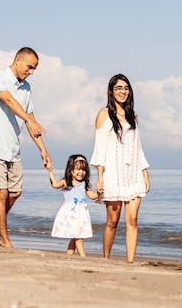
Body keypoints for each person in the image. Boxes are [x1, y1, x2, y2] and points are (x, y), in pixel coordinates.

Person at [0, 47, 52, 248]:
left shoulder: (26, 88)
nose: (31, 72)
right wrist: (27, 117)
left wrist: (42, 149)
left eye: (34, 69)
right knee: (1, 194)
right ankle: (5, 241)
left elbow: (31, 120)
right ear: (18, 60)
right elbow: (8, 100)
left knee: (15, 193)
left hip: (12, 148)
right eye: (29, 67)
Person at [90, 74, 150, 263]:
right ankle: (106, 259)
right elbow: (99, 149)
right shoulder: (104, 114)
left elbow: (137, 148)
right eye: (119, 88)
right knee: (112, 222)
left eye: (126, 88)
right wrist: (99, 177)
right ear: (111, 91)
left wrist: (145, 174)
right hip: (113, 175)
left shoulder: (134, 115)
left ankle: (130, 262)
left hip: (133, 175)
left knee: (132, 220)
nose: (123, 91)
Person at [48, 154, 99, 257]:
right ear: (71, 170)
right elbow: (54, 185)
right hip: (70, 214)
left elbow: (93, 196)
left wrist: (100, 191)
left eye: (84, 170)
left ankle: (69, 255)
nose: (81, 172)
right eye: (78, 169)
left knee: (75, 237)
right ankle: (83, 256)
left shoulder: (85, 184)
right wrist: (50, 171)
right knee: (78, 236)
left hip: (81, 215)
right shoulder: (66, 182)